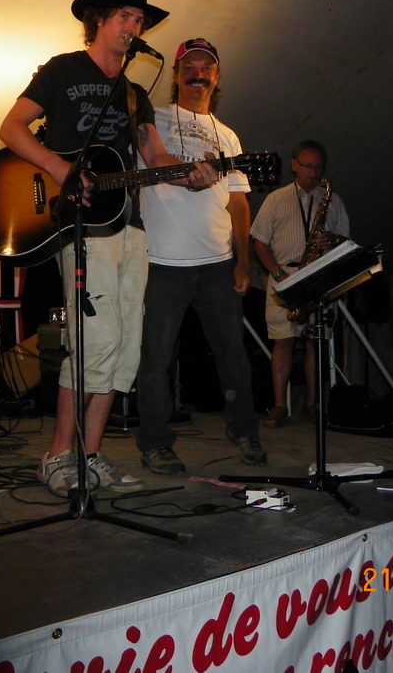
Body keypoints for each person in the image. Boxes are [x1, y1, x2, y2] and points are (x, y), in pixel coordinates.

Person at [0, 0, 218, 497]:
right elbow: (11, 129)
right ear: (98, 20)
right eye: (125, 16)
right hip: (82, 224)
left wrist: (192, 173)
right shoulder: (62, 70)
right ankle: (58, 456)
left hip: (130, 225)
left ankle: (90, 457)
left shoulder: (134, 95)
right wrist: (61, 169)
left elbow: (156, 157)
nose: (133, 27)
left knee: (124, 348)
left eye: (139, 20)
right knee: (93, 343)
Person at [135, 38, 264, 475]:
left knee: (233, 354)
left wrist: (242, 260)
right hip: (162, 260)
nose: (198, 74)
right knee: (156, 358)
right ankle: (155, 443)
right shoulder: (152, 118)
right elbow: (149, 162)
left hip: (217, 262)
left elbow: (239, 201)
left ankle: (245, 431)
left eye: (206, 67)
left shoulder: (227, 135)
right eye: (189, 67)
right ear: (175, 75)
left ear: (217, 76)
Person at [250, 139, 350, 426]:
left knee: (314, 342)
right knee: (282, 341)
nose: (313, 173)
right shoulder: (276, 199)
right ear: (293, 165)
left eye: (318, 167)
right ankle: (280, 406)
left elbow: (346, 240)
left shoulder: (332, 200)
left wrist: (332, 240)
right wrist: (278, 275)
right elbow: (259, 243)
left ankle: (312, 405)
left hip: (319, 276)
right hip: (284, 275)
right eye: (307, 166)